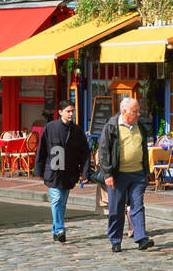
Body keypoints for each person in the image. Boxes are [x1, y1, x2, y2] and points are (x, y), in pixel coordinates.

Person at [97, 97, 153, 252]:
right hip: (118, 175)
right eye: (135, 111)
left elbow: (143, 149)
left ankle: (141, 238)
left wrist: (145, 171)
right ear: (124, 112)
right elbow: (104, 151)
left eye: (138, 111)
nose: (138, 114)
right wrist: (108, 174)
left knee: (137, 206)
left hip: (137, 174)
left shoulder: (139, 126)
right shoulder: (111, 127)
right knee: (116, 209)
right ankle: (115, 240)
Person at [35, 100, 91, 243]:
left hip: (70, 172)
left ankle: (55, 229)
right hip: (53, 170)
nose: (71, 114)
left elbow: (85, 153)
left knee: (62, 203)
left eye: (73, 111)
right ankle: (60, 229)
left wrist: (85, 173)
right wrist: (39, 170)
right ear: (60, 112)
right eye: (68, 111)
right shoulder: (50, 127)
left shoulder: (77, 130)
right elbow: (42, 150)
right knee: (56, 200)